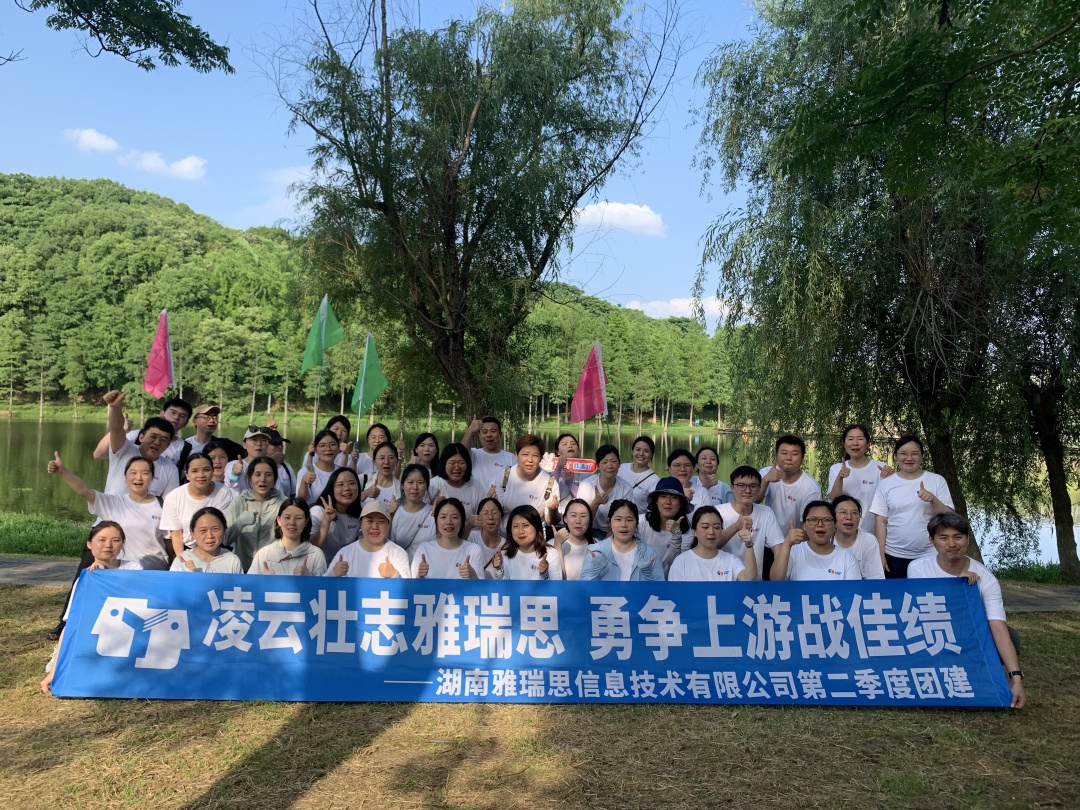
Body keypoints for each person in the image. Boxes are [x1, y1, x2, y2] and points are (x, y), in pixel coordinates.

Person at [908, 512, 1026, 709]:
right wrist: (957, 587)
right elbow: (924, 613)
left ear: (967, 539)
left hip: (967, 635)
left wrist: (1016, 678)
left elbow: (997, 626)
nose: (951, 544)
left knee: (1010, 636)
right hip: (932, 634)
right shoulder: (918, 568)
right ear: (932, 540)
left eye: (958, 537)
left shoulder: (986, 579)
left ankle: (974, 672)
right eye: (943, 538)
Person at [41, 522, 139, 696]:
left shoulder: (134, 569)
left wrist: (106, 576)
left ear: (123, 544)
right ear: (89, 544)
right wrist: (53, 673)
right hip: (96, 640)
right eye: (101, 540)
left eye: (116, 540)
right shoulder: (85, 578)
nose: (108, 545)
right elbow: (71, 625)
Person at [47, 451, 168, 571]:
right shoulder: (114, 503)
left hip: (156, 571)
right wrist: (63, 472)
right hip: (122, 571)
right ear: (125, 477)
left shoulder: (163, 505)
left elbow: (170, 543)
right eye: (133, 473)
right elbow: (84, 490)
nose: (139, 477)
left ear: (152, 477)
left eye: (145, 473)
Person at [869, 435, 955, 578]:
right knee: (897, 592)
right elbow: (881, 520)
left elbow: (950, 517)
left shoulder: (937, 480)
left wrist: (933, 499)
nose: (909, 458)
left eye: (914, 453)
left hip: (930, 553)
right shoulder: (886, 484)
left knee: (928, 592)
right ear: (895, 456)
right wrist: (880, 554)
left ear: (922, 456)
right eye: (903, 453)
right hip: (894, 555)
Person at [101, 390, 179, 499]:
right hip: (111, 510)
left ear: (168, 445)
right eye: (153, 437)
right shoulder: (124, 449)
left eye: (163, 439)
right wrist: (115, 407)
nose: (157, 442)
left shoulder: (170, 469)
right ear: (141, 437)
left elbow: (169, 503)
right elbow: (116, 429)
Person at [160, 452, 236, 558]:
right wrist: (183, 560)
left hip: (217, 548)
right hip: (188, 550)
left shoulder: (224, 493)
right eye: (195, 471)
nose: (201, 475)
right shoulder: (173, 497)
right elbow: (176, 534)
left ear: (212, 472)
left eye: (206, 470)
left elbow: (224, 527)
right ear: (187, 474)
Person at [715, 465, 785, 580]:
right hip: (724, 581)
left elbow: (778, 550)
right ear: (732, 488)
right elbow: (710, 547)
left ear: (759, 488)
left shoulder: (766, 512)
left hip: (754, 583)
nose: (747, 491)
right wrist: (735, 527)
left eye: (753, 486)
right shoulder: (718, 512)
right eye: (741, 486)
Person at [223, 456, 288, 571]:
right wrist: (240, 522)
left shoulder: (284, 503)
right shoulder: (240, 500)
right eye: (257, 474)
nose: (262, 479)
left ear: (274, 479)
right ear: (250, 478)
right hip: (243, 568)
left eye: (268, 475)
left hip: (273, 569)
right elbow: (225, 540)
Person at [770, 500, 861, 581]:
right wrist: (787, 544)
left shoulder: (847, 558)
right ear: (804, 525)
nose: (820, 524)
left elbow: (853, 591)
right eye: (813, 520)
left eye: (826, 520)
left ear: (835, 526)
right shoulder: (793, 552)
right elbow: (775, 580)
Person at [827, 423, 894, 532]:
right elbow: (834, 499)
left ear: (868, 443)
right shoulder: (836, 469)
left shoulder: (880, 468)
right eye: (850, 439)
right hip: (844, 531)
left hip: (872, 530)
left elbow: (890, 501)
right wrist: (840, 478)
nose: (855, 443)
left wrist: (893, 478)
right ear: (844, 443)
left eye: (860, 439)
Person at [579, 499, 664, 581]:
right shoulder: (596, 552)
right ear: (609, 522)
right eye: (618, 519)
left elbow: (660, 589)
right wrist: (593, 574)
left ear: (637, 523)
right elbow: (583, 589)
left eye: (629, 520)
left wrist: (649, 578)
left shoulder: (649, 554)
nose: (623, 525)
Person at [669, 506, 758, 582]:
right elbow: (675, 593)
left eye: (716, 527)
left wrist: (749, 545)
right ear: (694, 531)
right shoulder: (681, 562)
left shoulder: (731, 560)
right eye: (705, 527)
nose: (711, 532)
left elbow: (749, 579)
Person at [93, 396, 191, 465]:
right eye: (173, 413)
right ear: (162, 413)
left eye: (182, 416)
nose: (176, 418)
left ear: (186, 422)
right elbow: (99, 455)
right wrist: (118, 430)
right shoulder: (137, 435)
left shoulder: (186, 449)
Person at [493, 434, 560, 529]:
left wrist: (553, 510)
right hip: (506, 535)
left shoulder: (550, 482)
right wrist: (492, 503)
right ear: (516, 455)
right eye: (525, 454)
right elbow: (498, 513)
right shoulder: (505, 476)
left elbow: (551, 521)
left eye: (535, 455)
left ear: (541, 458)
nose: (530, 460)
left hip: (536, 536)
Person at [328, 501, 410, 578]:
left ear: (388, 524)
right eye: (370, 521)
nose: (375, 527)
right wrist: (333, 573)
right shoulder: (345, 553)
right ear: (361, 523)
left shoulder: (398, 553)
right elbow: (324, 584)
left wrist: (395, 575)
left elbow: (408, 587)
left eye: (381, 521)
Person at [757, 434, 821, 529]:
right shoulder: (766, 473)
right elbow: (754, 501)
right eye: (784, 453)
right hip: (767, 534)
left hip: (794, 536)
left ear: (802, 458)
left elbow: (807, 525)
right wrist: (766, 480)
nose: (788, 458)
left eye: (794, 454)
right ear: (776, 456)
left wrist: (792, 538)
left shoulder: (811, 488)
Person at [411, 497, 485, 579]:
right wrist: (419, 576)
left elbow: (479, 586)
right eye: (443, 517)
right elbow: (413, 586)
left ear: (462, 522)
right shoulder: (424, 549)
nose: (449, 522)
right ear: (436, 521)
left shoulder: (473, 550)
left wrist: (473, 575)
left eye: (454, 517)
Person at [249, 498, 327, 575]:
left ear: (306, 522)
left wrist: (309, 578)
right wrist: (262, 580)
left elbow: (323, 583)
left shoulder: (316, 554)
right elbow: (249, 583)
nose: (292, 523)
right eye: (287, 517)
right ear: (279, 520)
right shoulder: (263, 554)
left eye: (298, 518)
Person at [490, 505, 562, 580]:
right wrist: (498, 569)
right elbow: (502, 586)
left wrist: (544, 574)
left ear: (537, 527)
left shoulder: (551, 554)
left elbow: (556, 586)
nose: (521, 531)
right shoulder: (505, 556)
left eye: (526, 525)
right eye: (516, 526)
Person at [576, 444, 633, 540]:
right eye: (605, 462)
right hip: (588, 531)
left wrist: (607, 541)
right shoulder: (586, 485)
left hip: (616, 533)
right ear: (597, 466)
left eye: (614, 461)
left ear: (619, 464)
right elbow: (581, 520)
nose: (610, 466)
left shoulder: (626, 488)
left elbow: (625, 518)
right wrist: (596, 502)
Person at [637, 476, 691, 573]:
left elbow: (676, 568)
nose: (668, 502)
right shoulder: (641, 522)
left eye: (674, 497)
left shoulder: (687, 532)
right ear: (656, 501)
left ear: (681, 503)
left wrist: (676, 536)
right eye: (663, 496)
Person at [309, 468, 364, 564]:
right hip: (320, 566)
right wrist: (326, 521)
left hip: (347, 566)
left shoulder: (362, 510)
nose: (347, 488)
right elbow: (312, 547)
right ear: (331, 488)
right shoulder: (317, 512)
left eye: (351, 483)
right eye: (340, 485)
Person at [171, 507, 243, 573]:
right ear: (192, 533)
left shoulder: (232, 560)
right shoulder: (182, 560)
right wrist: (184, 576)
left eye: (215, 529)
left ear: (224, 530)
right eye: (203, 530)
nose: (209, 536)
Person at [226, 426, 291, 497]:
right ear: (244, 445)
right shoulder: (233, 464)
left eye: (263, 440)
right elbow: (230, 481)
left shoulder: (270, 468)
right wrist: (234, 474)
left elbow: (279, 494)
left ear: (267, 445)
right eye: (254, 440)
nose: (259, 444)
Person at [832, 494, 886, 579]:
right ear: (832, 516)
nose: (849, 517)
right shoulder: (826, 540)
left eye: (854, 513)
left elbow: (875, 578)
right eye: (843, 512)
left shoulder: (869, 541)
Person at [390, 464, 437, 561]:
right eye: (410, 482)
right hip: (400, 568)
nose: (415, 487)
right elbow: (387, 545)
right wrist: (389, 517)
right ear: (402, 485)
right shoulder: (394, 513)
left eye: (420, 483)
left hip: (428, 568)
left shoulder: (434, 513)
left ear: (427, 486)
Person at [428, 443, 486, 517]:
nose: (457, 467)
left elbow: (484, 513)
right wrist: (431, 506)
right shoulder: (433, 484)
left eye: (461, 463)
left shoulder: (475, 485)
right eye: (452, 463)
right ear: (444, 464)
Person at [462, 415, 516, 491]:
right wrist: (470, 430)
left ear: (500, 434)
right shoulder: (474, 454)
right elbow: (461, 452)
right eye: (485, 432)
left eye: (493, 431)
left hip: (501, 498)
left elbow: (515, 484)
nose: (489, 435)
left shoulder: (510, 458)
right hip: (477, 498)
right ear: (479, 435)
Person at [297, 428, 342, 504]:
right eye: (322, 445)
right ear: (315, 450)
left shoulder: (342, 472)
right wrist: (304, 482)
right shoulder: (306, 472)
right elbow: (301, 500)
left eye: (333, 444)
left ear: (338, 448)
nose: (328, 449)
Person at [554, 498, 594, 581]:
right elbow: (557, 580)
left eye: (583, 516)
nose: (578, 521)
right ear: (565, 518)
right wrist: (557, 546)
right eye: (573, 515)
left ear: (590, 520)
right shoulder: (553, 544)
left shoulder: (598, 546)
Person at [618, 435, 659, 512]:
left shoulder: (654, 480)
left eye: (646, 451)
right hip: (614, 517)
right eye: (638, 449)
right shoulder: (620, 468)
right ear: (632, 451)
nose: (641, 453)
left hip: (638, 519)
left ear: (652, 454)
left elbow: (653, 509)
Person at [467, 496, 506, 574]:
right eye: (485, 513)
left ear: (501, 516)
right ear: (478, 516)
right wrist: (468, 526)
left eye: (494, 513)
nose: (490, 517)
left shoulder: (507, 545)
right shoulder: (470, 538)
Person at [364, 441, 402, 508]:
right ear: (374, 461)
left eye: (391, 458)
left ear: (396, 461)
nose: (386, 462)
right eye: (382, 458)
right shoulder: (364, 480)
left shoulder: (401, 488)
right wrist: (365, 493)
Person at [265, 427, 297, 497]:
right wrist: (272, 460)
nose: (279, 447)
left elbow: (293, 493)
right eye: (275, 444)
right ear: (265, 446)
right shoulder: (257, 465)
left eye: (280, 444)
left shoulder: (287, 467)